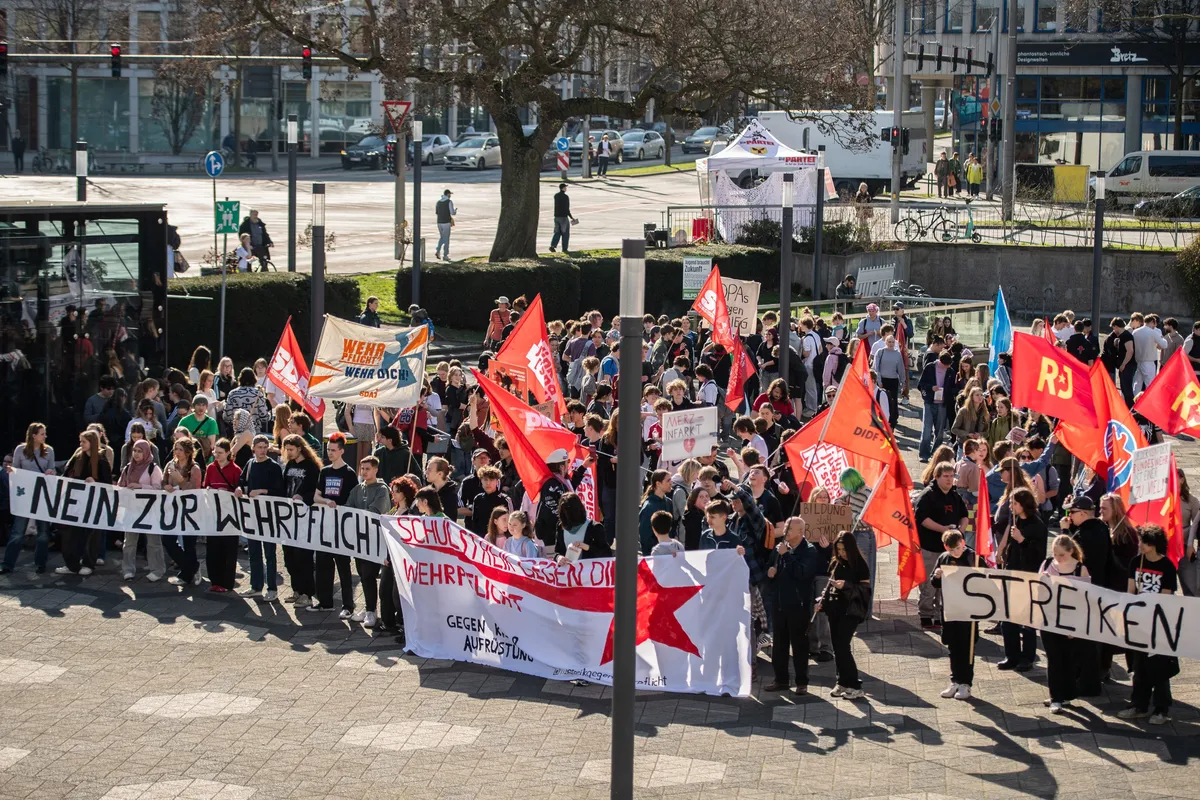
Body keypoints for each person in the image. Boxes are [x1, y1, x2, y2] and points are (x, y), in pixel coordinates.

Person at [1118, 525, 1178, 725]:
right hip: (1138, 622)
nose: (1140, 545)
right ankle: (1139, 705)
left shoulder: (1167, 566)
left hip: (1158, 623)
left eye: (1144, 542)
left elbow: (1166, 595)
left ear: (1153, 545)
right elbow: (1130, 590)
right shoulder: (1136, 562)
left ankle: (1161, 709)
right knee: (1139, 666)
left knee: (1159, 667)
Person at [763, 516, 828, 694]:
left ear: (800, 532)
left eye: (789, 529)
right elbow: (769, 568)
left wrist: (787, 556)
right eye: (785, 528)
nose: (785, 532)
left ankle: (801, 682)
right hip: (779, 603)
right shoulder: (779, 549)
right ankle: (781, 679)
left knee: (800, 646)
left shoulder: (809, 550)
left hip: (798, 606)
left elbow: (803, 574)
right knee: (779, 645)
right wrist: (769, 573)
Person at [1036, 534, 1091, 714]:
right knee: (1054, 659)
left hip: (1070, 620)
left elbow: (1084, 599)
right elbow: (1038, 593)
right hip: (1050, 619)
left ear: (1071, 551)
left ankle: (1066, 694)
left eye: (1062, 555)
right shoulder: (1046, 565)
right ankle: (1056, 697)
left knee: (1067, 659)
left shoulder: (1080, 569)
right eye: (1055, 554)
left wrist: (1077, 625)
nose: (1058, 559)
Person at [996, 487, 1047, 671]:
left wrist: (1022, 540)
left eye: (1014, 503)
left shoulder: (1037, 525)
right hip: (1012, 573)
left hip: (1028, 577)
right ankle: (1012, 655)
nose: (1011, 506)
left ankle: (1028, 657)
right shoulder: (1016, 521)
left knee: (1027, 621)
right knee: (1008, 618)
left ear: (1024, 504)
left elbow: (1038, 554)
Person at [913, 462, 969, 628]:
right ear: (936, 477)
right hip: (930, 548)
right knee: (929, 585)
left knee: (946, 585)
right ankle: (925, 615)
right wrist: (943, 530)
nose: (949, 480)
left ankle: (939, 615)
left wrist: (960, 531)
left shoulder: (955, 496)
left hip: (949, 551)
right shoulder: (927, 496)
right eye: (945, 476)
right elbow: (922, 519)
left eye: (952, 476)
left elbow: (964, 516)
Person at [817, 531, 871, 700]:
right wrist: (822, 602)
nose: (841, 553)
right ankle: (842, 681)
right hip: (835, 610)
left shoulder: (860, 565)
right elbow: (829, 587)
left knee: (842, 646)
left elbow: (865, 592)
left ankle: (854, 684)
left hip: (851, 611)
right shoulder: (836, 563)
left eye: (844, 549)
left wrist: (846, 586)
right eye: (839, 549)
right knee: (838, 647)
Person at [309, 432, 359, 615]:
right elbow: (316, 496)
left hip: (342, 527)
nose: (329, 453)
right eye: (328, 449)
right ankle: (325, 601)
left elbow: (353, 501)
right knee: (322, 564)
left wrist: (338, 506)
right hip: (326, 525)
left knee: (343, 567)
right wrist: (326, 502)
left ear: (341, 451)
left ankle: (348, 606)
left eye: (333, 450)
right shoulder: (325, 471)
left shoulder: (349, 474)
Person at [236, 434, 285, 601]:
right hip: (252, 515)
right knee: (254, 553)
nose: (263, 450)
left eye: (265, 447)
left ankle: (272, 588)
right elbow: (242, 481)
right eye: (260, 447)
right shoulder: (250, 464)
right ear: (253, 449)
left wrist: (263, 491)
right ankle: (256, 586)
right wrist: (239, 489)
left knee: (270, 554)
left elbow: (280, 492)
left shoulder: (274, 467)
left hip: (268, 517)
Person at [3, 423, 55, 575]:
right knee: (18, 531)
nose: (45, 436)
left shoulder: (49, 451)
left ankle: (41, 564)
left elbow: (51, 469)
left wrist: (51, 472)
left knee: (43, 532)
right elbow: (16, 469)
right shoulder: (20, 450)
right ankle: (8, 564)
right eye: (42, 434)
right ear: (34, 435)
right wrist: (11, 471)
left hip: (41, 495)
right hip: (25, 496)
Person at [931, 530, 977, 700]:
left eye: (958, 548)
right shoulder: (943, 558)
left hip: (967, 610)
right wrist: (936, 577)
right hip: (949, 609)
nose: (956, 552)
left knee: (967, 647)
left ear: (963, 543)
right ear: (946, 548)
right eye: (952, 550)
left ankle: (966, 683)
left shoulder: (972, 558)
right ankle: (955, 680)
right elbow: (934, 582)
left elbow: (985, 580)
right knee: (953, 646)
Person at [346, 455, 391, 627]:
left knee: (369, 575)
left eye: (367, 469)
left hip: (375, 540)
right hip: (359, 540)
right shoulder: (358, 489)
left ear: (375, 470)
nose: (364, 472)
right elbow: (348, 508)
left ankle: (372, 611)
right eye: (362, 468)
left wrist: (358, 511)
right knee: (363, 575)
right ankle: (368, 607)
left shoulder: (382, 489)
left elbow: (374, 511)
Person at [281, 433, 321, 607]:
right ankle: (296, 590)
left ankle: (307, 593)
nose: (288, 453)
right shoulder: (289, 465)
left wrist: (303, 497)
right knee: (289, 557)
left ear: (300, 448)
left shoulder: (312, 467)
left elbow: (317, 491)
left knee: (303, 557)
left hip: (305, 518)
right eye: (286, 449)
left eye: (291, 449)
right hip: (288, 518)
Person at [117, 439, 165, 582]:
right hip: (132, 509)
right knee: (130, 541)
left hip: (149, 510)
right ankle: (128, 569)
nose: (136, 454)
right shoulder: (128, 468)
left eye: (140, 451)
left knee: (153, 541)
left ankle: (157, 569)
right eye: (135, 451)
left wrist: (140, 487)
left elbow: (158, 489)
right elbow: (121, 485)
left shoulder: (153, 468)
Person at [160, 438, 203, 586]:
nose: (177, 452)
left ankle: (186, 575)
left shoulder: (194, 468)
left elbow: (195, 489)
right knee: (168, 540)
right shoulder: (170, 465)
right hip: (172, 508)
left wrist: (180, 481)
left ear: (188, 452)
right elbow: (163, 481)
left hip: (190, 510)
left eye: (180, 449)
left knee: (189, 543)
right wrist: (166, 486)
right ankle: (192, 567)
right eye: (175, 449)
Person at [203, 439, 242, 593]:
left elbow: (239, 488)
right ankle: (215, 580)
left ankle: (227, 582)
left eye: (220, 453)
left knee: (228, 550)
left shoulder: (236, 470)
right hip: (214, 515)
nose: (217, 456)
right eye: (215, 453)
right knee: (213, 549)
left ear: (228, 453)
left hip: (230, 516)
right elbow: (206, 486)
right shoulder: (211, 468)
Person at [918, 350, 961, 462]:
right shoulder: (930, 367)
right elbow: (921, 384)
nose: (946, 367)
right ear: (940, 362)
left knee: (940, 431)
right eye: (944, 365)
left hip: (943, 403)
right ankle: (924, 454)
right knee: (927, 429)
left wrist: (949, 391)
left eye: (948, 366)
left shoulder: (950, 371)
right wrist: (931, 387)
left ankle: (936, 453)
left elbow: (953, 387)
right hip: (929, 402)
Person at [555, 492, 610, 562]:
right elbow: (557, 552)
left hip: (588, 571)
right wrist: (558, 558)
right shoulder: (561, 526)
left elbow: (607, 553)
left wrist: (588, 547)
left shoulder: (595, 527)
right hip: (568, 571)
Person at [223, 368, 273, 435]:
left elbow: (227, 417)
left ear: (240, 379)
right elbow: (264, 417)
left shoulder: (232, 393)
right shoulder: (258, 394)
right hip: (254, 432)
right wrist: (270, 415)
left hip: (236, 433)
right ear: (254, 379)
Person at [638, 469, 675, 555]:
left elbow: (671, 526)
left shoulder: (669, 502)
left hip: (669, 552)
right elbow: (645, 536)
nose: (671, 483)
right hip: (654, 554)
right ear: (658, 483)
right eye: (668, 480)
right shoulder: (649, 507)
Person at [1131, 312, 1167, 394]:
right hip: (1149, 361)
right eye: (1154, 324)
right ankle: (1148, 404)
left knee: (1137, 384)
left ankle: (1134, 401)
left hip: (1138, 360)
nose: (1155, 326)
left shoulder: (1135, 332)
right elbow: (1164, 345)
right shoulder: (1153, 332)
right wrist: (1162, 337)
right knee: (1150, 384)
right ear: (1152, 322)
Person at [873, 335, 905, 428]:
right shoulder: (880, 352)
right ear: (885, 342)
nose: (891, 344)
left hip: (893, 380)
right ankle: (881, 421)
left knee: (893, 401)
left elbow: (901, 369)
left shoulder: (897, 354)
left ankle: (892, 422)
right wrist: (879, 381)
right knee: (882, 400)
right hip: (882, 380)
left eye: (892, 342)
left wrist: (903, 383)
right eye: (889, 342)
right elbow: (876, 368)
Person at [549, 183, 578, 253]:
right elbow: (566, 208)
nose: (566, 188)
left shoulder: (556, 196)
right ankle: (564, 248)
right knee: (565, 234)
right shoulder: (565, 197)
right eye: (565, 187)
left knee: (557, 232)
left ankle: (552, 246)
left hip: (556, 216)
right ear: (563, 188)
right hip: (563, 217)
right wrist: (571, 217)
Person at [434, 189, 457, 261]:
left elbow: (437, 212)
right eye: (450, 194)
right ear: (447, 194)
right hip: (446, 222)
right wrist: (455, 211)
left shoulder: (438, 202)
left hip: (439, 222)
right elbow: (452, 212)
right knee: (446, 239)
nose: (450, 196)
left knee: (442, 237)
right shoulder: (449, 202)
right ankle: (445, 255)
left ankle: (438, 251)